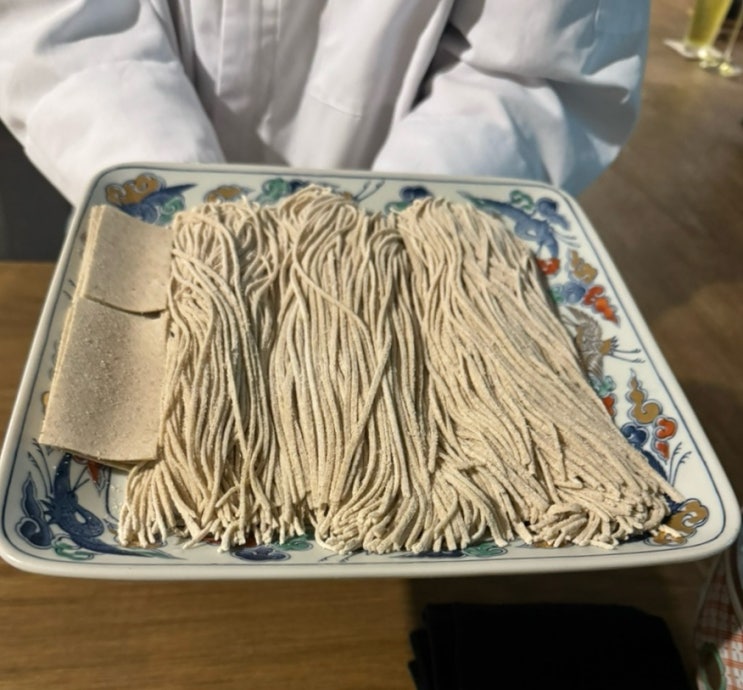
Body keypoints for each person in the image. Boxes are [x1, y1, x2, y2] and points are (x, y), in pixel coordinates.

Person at [0, 0, 650, 206]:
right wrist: (183, 204)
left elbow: (537, 66)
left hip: (420, 209)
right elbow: (61, 24)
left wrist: (394, 221)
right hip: (137, 180)